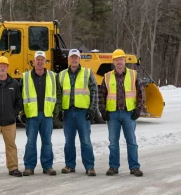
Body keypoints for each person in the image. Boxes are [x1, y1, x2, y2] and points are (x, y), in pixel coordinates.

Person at [99, 49, 145, 177]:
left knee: (132, 142)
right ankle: (113, 167)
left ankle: (134, 167)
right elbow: (102, 94)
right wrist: (103, 110)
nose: (119, 62)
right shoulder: (107, 76)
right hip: (112, 114)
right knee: (113, 142)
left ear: (125, 60)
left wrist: (138, 109)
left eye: (121, 59)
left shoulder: (134, 74)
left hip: (128, 114)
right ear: (113, 62)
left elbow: (141, 92)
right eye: (116, 59)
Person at [56, 49, 98, 176]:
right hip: (68, 112)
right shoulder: (61, 75)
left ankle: (90, 166)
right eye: (72, 57)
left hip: (82, 112)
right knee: (69, 141)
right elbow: (58, 94)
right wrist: (59, 110)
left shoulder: (87, 73)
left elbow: (94, 91)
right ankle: (69, 165)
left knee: (85, 140)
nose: (74, 60)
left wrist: (92, 109)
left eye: (76, 57)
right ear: (68, 59)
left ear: (79, 59)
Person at [22, 51, 57, 176]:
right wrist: (22, 112)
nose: (40, 61)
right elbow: (21, 96)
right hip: (32, 115)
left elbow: (57, 94)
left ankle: (47, 166)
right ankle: (29, 167)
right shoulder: (25, 77)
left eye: (42, 59)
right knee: (31, 142)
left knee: (47, 142)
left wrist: (56, 111)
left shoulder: (53, 76)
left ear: (45, 61)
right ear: (33, 62)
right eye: (38, 59)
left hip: (47, 115)